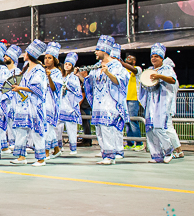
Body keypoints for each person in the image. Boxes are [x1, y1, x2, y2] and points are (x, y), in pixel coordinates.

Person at [83, 35, 129, 165]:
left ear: (104, 51)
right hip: (98, 104)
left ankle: (111, 156)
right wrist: (82, 76)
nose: (95, 52)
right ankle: (106, 153)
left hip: (110, 103)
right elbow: (90, 83)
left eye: (97, 50)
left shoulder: (116, 66)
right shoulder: (96, 67)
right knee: (100, 129)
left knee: (107, 127)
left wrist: (108, 73)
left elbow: (121, 82)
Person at [9, 40, 48, 166]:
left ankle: (41, 158)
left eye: (26, 52)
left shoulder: (38, 70)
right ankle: (21, 157)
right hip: (23, 104)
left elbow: (38, 88)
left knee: (36, 131)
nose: (24, 54)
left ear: (30, 54)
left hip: (34, 105)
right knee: (21, 130)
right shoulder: (26, 69)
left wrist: (20, 88)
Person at [138, 43, 176, 163]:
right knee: (150, 129)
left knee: (159, 128)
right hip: (151, 102)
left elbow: (172, 80)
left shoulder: (167, 69)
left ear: (162, 58)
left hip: (162, 102)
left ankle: (169, 151)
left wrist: (159, 76)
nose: (154, 58)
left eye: (156, 56)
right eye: (152, 56)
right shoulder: (149, 70)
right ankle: (156, 155)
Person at [58, 52, 83, 155]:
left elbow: (78, 91)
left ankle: (73, 148)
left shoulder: (74, 78)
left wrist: (67, 87)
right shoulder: (61, 76)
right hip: (61, 105)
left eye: (69, 64)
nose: (67, 66)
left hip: (70, 106)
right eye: (66, 64)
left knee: (71, 128)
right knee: (58, 128)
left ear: (72, 66)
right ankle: (58, 147)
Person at [119, 53, 144, 150]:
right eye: (126, 58)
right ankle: (129, 143)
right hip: (124, 98)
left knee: (133, 121)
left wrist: (121, 63)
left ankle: (139, 143)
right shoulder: (123, 70)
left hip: (133, 98)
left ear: (134, 61)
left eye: (130, 58)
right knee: (127, 122)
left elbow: (134, 70)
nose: (127, 59)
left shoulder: (137, 69)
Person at [43, 42, 63, 159]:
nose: (47, 60)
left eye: (49, 58)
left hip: (51, 103)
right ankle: (56, 149)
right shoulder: (43, 71)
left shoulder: (56, 72)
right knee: (48, 127)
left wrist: (49, 76)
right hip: (43, 102)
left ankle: (45, 152)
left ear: (54, 60)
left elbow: (55, 88)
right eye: (45, 58)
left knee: (47, 127)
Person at [3, 45, 22, 149]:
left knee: (14, 121)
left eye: (7, 56)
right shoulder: (3, 71)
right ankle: (11, 142)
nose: (5, 57)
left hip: (15, 100)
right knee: (8, 121)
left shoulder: (17, 72)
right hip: (6, 100)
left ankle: (17, 143)